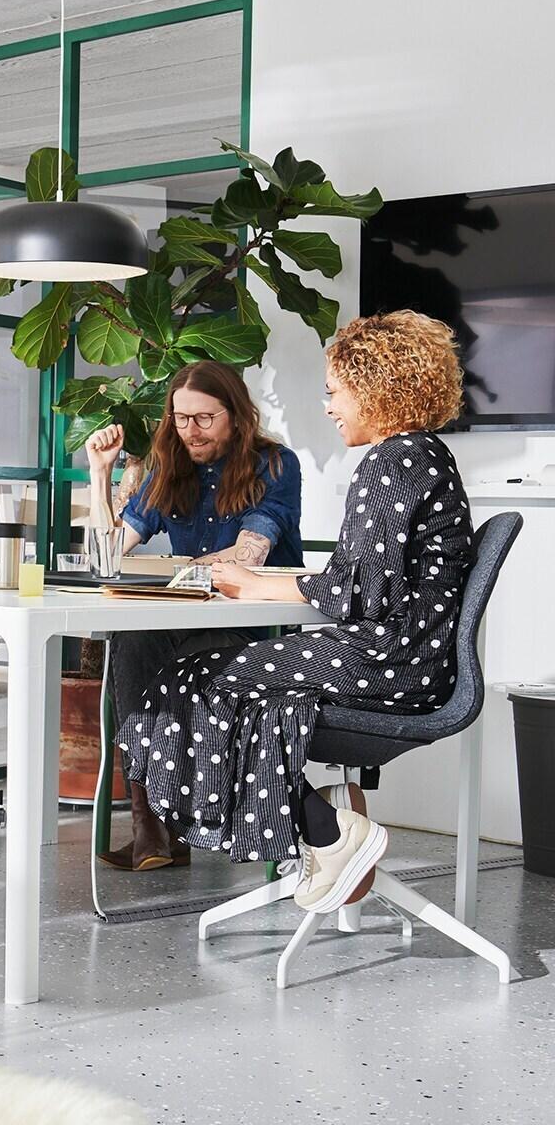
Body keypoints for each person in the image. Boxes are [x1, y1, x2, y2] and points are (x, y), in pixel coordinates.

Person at [118, 311, 469, 915]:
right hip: (399, 652)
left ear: (377, 387)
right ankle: (321, 827)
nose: (330, 407)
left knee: (186, 682)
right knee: (198, 679)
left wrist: (256, 590)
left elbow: (360, 593)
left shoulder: (395, 463)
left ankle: (327, 831)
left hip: (390, 658)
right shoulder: (418, 456)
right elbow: (363, 583)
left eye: (335, 392)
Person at [86, 360, 303, 871]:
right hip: (182, 618)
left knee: (160, 655)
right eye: (181, 419)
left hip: (252, 625)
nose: (190, 431)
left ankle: (167, 825)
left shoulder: (274, 464)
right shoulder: (169, 463)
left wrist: (176, 571)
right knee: (132, 641)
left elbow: (248, 555)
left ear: (236, 414)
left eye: (204, 418)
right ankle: (152, 828)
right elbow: (106, 558)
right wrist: (101, 477)